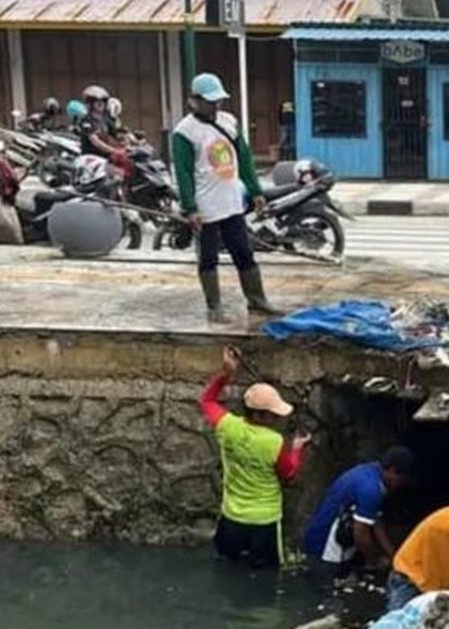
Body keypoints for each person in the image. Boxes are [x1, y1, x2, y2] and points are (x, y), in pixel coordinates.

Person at [172, 72, 279, 324]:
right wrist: (190, 208)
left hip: (232, 203)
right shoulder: (184, 132)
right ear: (193, 101)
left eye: (218, 100)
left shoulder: (229, 121)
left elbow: (244, 158)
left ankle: (257, 299)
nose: (215, 105)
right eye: (210, 101)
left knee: (244, 252)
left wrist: (256, 191)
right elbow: (183, 173)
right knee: (208, 258)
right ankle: (214, 307)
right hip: (205, 207)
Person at [200, 346, 310, 568]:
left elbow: (207, 401)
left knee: (227, 566)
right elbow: (288, 475)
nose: (277, 418)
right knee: (266, 573)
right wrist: (297, 448)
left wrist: (226, 374)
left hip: (232, 517)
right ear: (260, 414)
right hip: (264, 521)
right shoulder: (274, 442)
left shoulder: (227, 426)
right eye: (273, 414)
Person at [302, 446, 414, 579]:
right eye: (401, 479)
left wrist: (394, 557)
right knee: (327, 588)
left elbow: (376, 521)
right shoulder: (371, 489)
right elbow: (361, 535)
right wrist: (376, 560)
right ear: (392, 471)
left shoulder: (371, 472)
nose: (400, 484)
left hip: (329, 538)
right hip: (326, 548)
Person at [77, 85, 126, 162]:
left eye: (103, 101)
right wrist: (114, 150)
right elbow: (95, 141)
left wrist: (133, 143)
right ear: (91, 103)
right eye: (97, 101)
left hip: (105, 157)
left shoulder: (106, 119)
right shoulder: (86, 120)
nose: (100, 103)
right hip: (90, 158)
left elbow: (118, 133)